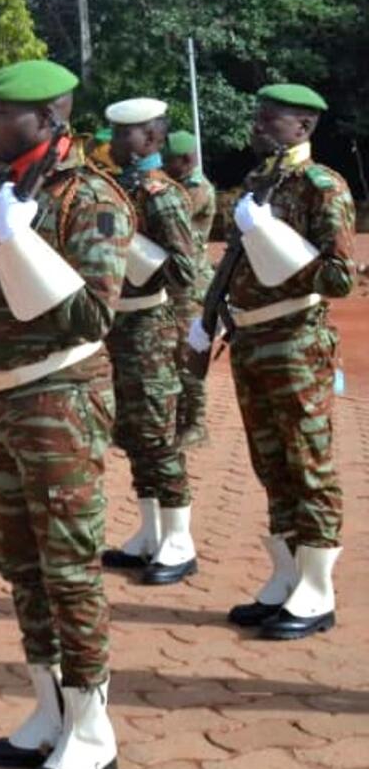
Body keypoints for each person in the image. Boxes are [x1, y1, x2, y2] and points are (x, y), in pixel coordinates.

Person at [0, 60, 130, 769]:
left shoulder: (90, 198)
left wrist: (21, 243)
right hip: (4, 398)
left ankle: (92, 728)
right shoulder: (17, 190)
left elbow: (93, 316)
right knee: (20, 563)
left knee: (69, 566)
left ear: (50, 119)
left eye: (7, 112)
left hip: (61, 401)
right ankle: (49, 709)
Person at [188, 83, 354, 640]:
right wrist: (205, 318)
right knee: (271, 463)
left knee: (308, 463)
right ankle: (286, 576)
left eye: (269, 119)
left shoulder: (321, 186)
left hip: (297, 343)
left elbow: (338, 279)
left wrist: (274, 234)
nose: (257, 126)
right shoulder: (261, 182)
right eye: (258, 116)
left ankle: (318, 588)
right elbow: (235, 260)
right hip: (253, 341)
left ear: (303, 128)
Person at [98, 100, 199, 586]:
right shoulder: (123, 188)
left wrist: (133, 246)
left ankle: (179, 539)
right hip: (120, 327)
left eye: (127, 136)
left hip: (150, 330)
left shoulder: (161, 195)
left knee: (158, 436)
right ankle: (150, 531)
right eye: (116, 135)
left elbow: (185, 271)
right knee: (135, 435)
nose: (116, 144)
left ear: (154, 140)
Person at [163, 131, 216, 446]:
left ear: (186, 160)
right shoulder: (173, 186)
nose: (165, 167)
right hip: (169, 282)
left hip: (190, 286)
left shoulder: (199, 189)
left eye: (169, 162)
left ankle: (196, 424)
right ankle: (177, 419)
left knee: (189, 352)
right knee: (168, 354)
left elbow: (173, 219)